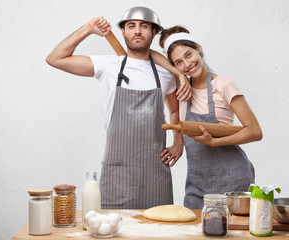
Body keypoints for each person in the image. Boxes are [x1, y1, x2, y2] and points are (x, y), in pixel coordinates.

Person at [46, 7, 190, 209]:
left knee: (158, 230)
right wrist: (88, 29)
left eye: (144, 26)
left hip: (155, 172)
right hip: (117, 173)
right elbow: (55, 59)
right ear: (123, 32)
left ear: (153, 32)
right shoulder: (107, 65)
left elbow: (175, 111)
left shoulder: (165, 73)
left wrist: (178, 143)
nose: (137, 31)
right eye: (131, 26)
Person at [158, 26, 263, 209]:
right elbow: (150, 55)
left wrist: (213, 142)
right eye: (179, 62)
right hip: (197, 186)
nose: (187, 64)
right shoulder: (181, 91)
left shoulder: (223, 84)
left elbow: (255, 131)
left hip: (233, 182)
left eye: (189, 55)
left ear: (199, 49)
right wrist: (178, 142)